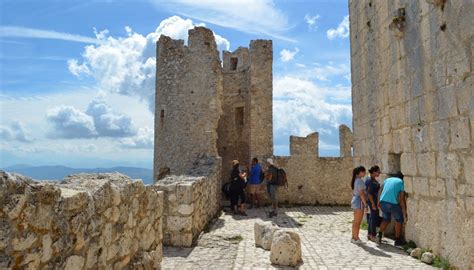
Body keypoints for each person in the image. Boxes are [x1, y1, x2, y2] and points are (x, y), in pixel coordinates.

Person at [377, 171, 407, 246]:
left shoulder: (387, 179)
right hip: (393, 204)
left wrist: (378, 202)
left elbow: (380, 190)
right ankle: (397, 240)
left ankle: (379, 235)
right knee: (399, 220)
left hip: (383, 202)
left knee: (386, 219)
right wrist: (404, 211)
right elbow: (402, 198)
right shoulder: (401, 182)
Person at [351, 166, 367, 244]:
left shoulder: (355, 180)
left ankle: (354, 237)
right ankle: (356, 238)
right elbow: (361, 193)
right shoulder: (360, 181)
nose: (364, 173)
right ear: (360, 172)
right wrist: (365, 204)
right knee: (358, 221)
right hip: (359, 201)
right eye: (364, 172)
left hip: (355, 200)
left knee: (355, 221)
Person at [365, 165, 381, 241]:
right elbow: (369, 193)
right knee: (373, 217)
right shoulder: (370, 180)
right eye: (378, 171)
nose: (379, 173)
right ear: (374, 172)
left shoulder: (372, 179)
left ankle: (369, 233)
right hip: (372, 201)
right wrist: (373, 204)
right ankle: (373, 235)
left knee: (372, 216)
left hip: (373, 201)